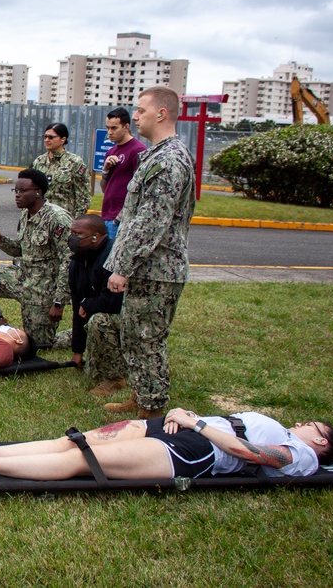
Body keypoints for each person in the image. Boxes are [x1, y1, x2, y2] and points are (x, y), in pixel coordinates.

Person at [104, 87, 196, 418]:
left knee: (147, 339)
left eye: (141, 110)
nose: (135, 116)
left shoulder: (168, 160)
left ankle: (152, 410)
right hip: (149, 266)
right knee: (136, 334)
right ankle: (142, 395)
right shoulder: (158, 154)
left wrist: (123, 267)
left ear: (161, 114)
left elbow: (150, 222)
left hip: (157, 268)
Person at [0, 410, 333, 483]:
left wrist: (197, 423)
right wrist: (184, 415)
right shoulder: (293, 437)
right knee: (74, 441)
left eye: (310, 425)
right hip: (182, 428)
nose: (300, 425)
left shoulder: (304, 456)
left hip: (197, 452)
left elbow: (250, 454)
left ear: (321, 441)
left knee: (85, 460)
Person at [0, 168, 72, 348]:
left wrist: (59, 302)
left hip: (44, 288)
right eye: (16, 190)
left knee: (40, 344)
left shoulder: (57, 218)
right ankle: (2, 326)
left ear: (38, 192)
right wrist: (0, 240)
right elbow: (20, 250)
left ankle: (82, 332)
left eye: (22, 191)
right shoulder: (26, 214)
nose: (17, 195)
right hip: (23, 276)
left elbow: (69, 261)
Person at [65, 215, 125, 396]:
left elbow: (113, 303)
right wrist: (77, 352)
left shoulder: (113, 257)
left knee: (99, 321)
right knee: (89, 369)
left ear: (96, 237)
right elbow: (77, 307)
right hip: (95, 312)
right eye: (71, 232)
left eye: (78, 233)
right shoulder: (78, 259)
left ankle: (116, 378)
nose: (72, 238)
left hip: (124, 318)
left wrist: (87, 304)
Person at [99, 108, 147, 240]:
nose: (110, 132)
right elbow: (104, 188)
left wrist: (121, 216)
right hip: (107, 214)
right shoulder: (111, 152)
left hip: (123, 217)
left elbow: (142, 187)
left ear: (126, 127)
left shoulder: (138, 150)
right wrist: (106, 169)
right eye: (107, 128)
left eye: (114, 128)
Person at [32, 122, 91, 218]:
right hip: (41, 218)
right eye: (45, 137)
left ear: (63, 139)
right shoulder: (39, 162)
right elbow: (32, 192)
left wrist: (76, 222)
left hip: (64, 219)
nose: (47, 140)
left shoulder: (74, 162)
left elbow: (83, 197)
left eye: (51, 137)